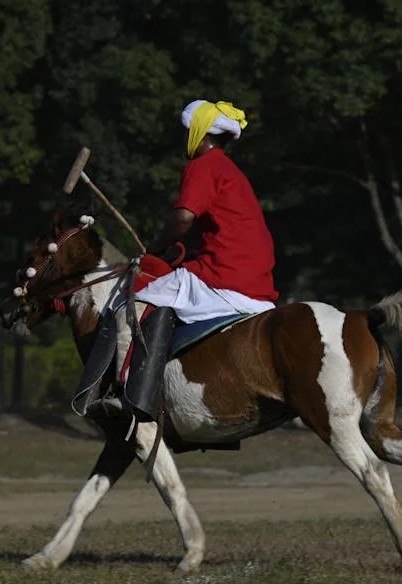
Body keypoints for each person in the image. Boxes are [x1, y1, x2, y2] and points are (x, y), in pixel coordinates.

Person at [114, 99, 279, 424]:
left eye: (187, 133)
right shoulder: (230, 170)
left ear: (202, 135)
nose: (184, 139)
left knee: (129, 302)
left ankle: (128, 396)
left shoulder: (203, 166)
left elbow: (184, 218)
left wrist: (156, 247)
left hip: (224, 274)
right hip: (258, 279)